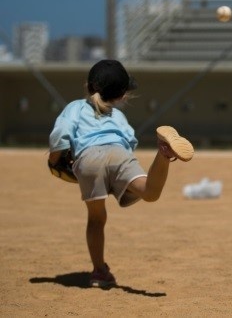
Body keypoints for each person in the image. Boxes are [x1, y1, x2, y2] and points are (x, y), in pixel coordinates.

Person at [48, 59, 194, 288]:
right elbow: (128, 143)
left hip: (87, 159)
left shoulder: (75, 107)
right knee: (150, 191)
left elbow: (61, 135)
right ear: (122, 96)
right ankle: (164, 154)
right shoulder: (119, 117)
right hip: (118, 152)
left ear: (87, 85)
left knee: (96, 219)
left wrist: (54, 161)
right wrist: (117, 176)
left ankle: (99, 272)